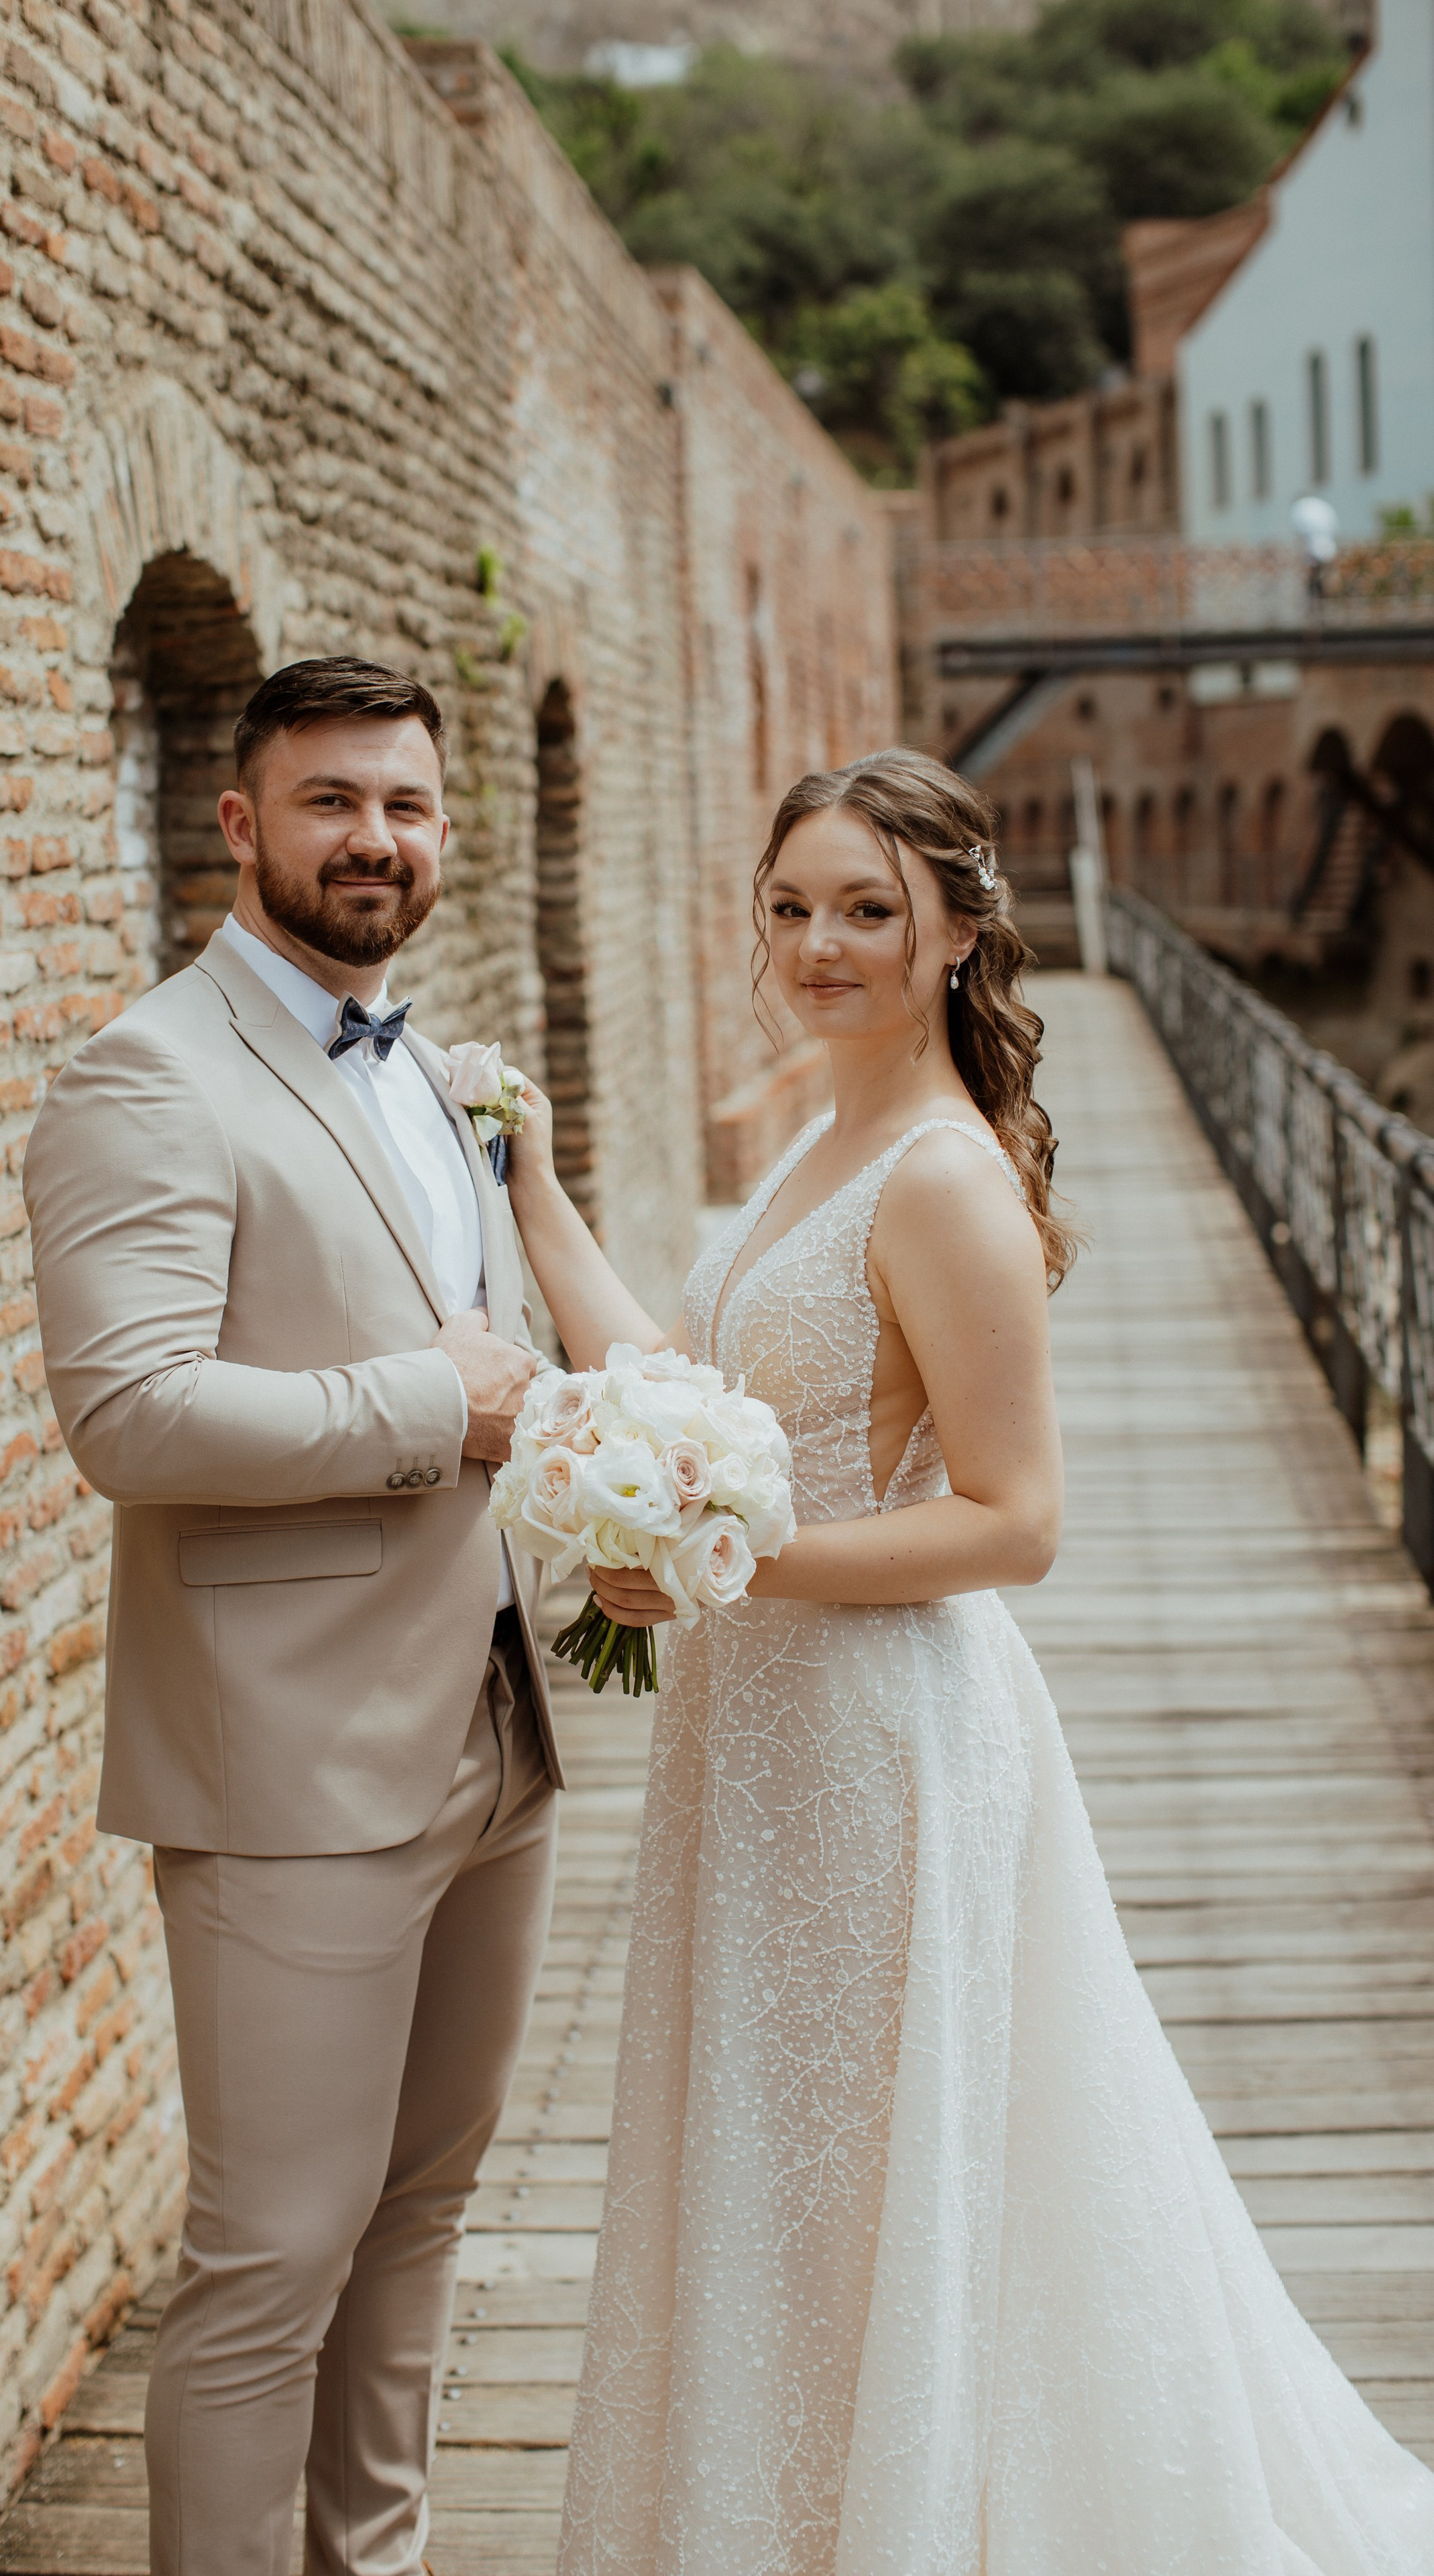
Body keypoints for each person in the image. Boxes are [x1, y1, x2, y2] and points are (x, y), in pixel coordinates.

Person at [505, 748, 1434, 2575]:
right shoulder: (822, 1135)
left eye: (868, 908)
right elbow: (680, 1402)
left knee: (887, 2174)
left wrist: (730, 1561)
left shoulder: (938, 1179)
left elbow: (1017, 1522)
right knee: (785, 2170)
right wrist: (535, 1194)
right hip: (757, 1729)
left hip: (878, 1737)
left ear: (953, 929)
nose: (821, 943)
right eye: (791, 908)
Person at [23, 656, 561, 2576]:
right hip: (290, 1769)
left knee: (421, 2214)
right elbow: (131, 1415)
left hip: (493, 1742)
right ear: (239, 823)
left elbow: (510, 1368)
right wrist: (439, 1412)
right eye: (331, 802)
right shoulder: (146, 1077)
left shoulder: (431, 1066)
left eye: (406, 805)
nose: (376, 840)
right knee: (269, 2263)